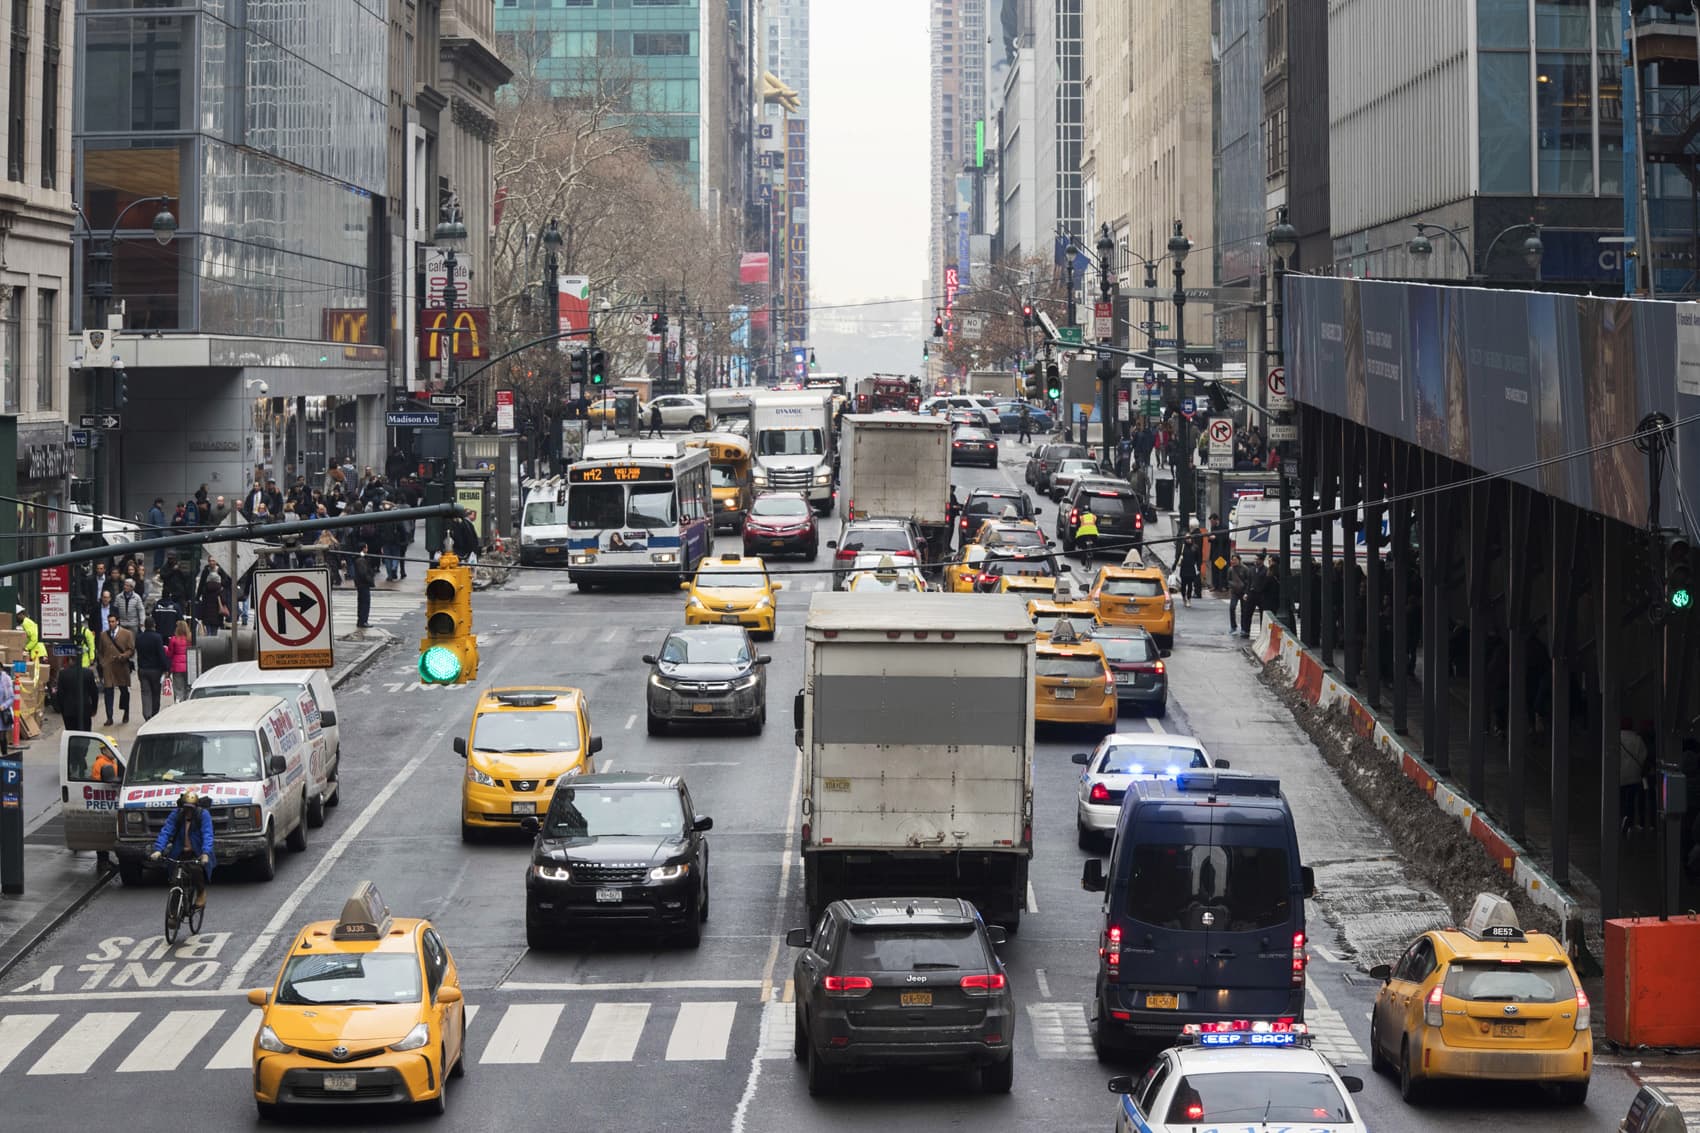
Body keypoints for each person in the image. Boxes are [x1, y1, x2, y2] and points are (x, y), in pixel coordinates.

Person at [149, 791, 215, 911]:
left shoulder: (203, 815)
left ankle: (201, 892)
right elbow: (166, 831)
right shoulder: (176, 814)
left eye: (191, 809)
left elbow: (207, 834)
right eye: (186, 809)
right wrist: (158, 850)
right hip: (179, 851)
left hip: (197, 853)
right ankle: (174, 914)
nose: (188, 812)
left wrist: (205, 853)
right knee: (175, 881)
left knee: (196, 870)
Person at [97, 612, 136, 726]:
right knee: (108, 692)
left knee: (124, 691)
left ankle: (126, 711)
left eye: (113, 621)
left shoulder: (127, 634)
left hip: (121, 666)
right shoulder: (103, 635)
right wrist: (102, 662)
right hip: (108, 667)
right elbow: (100, 650)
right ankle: (109, 717)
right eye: (109, 622)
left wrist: (124, 656)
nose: (111, 624)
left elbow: (131, 649)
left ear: (117, 621)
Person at [134, 614, 171, 722]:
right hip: (155, 670)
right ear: (154, 625)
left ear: (145, 626)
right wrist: (166, 668)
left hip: (143, 669)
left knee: (145, 693)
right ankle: (154, 714)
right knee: (155, 693)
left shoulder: (139, 638)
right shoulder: (157, 637)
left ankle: (147, 714)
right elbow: (161, 654)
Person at [56, 658, 99, 733]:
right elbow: (94, 693)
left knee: (72, 734)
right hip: (85, 710)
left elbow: (60, 694)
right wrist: (94, 709)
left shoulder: (63, 674)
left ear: (70, 661)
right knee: (85, 734)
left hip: (69, 711)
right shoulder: (88, 673)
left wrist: (62, 709)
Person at [352, 543, 376, 629]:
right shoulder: (361, 560)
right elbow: (363, 573)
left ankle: (361, 621)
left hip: (361, 584)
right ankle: (363, 621)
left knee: (362, 602)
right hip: (363, 584)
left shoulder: (360, 559)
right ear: (363, 549)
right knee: (365, 603)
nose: (367, 549)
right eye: (366, 547)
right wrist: (370, 580)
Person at [168, 622, 192, 701]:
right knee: (187, 688)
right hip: (188, 666)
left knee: (178, 689)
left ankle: (178, 703)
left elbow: (170, 654)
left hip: (177, 667)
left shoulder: (173, 639)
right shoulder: (190, 639)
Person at [1179, 529, 1202, 608]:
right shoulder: (1182, 547)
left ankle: (1188, 599)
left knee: (1190, 585)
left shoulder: (1195, 547)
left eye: (1190, 538)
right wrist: (1174, 566)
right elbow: (1178, 556)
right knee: (1183, 585)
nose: (1189, 539)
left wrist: (1198, 567)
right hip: (1184, 568)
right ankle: (1184, 597)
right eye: (1187, 538)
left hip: (1191, 568)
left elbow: (1198, 558)